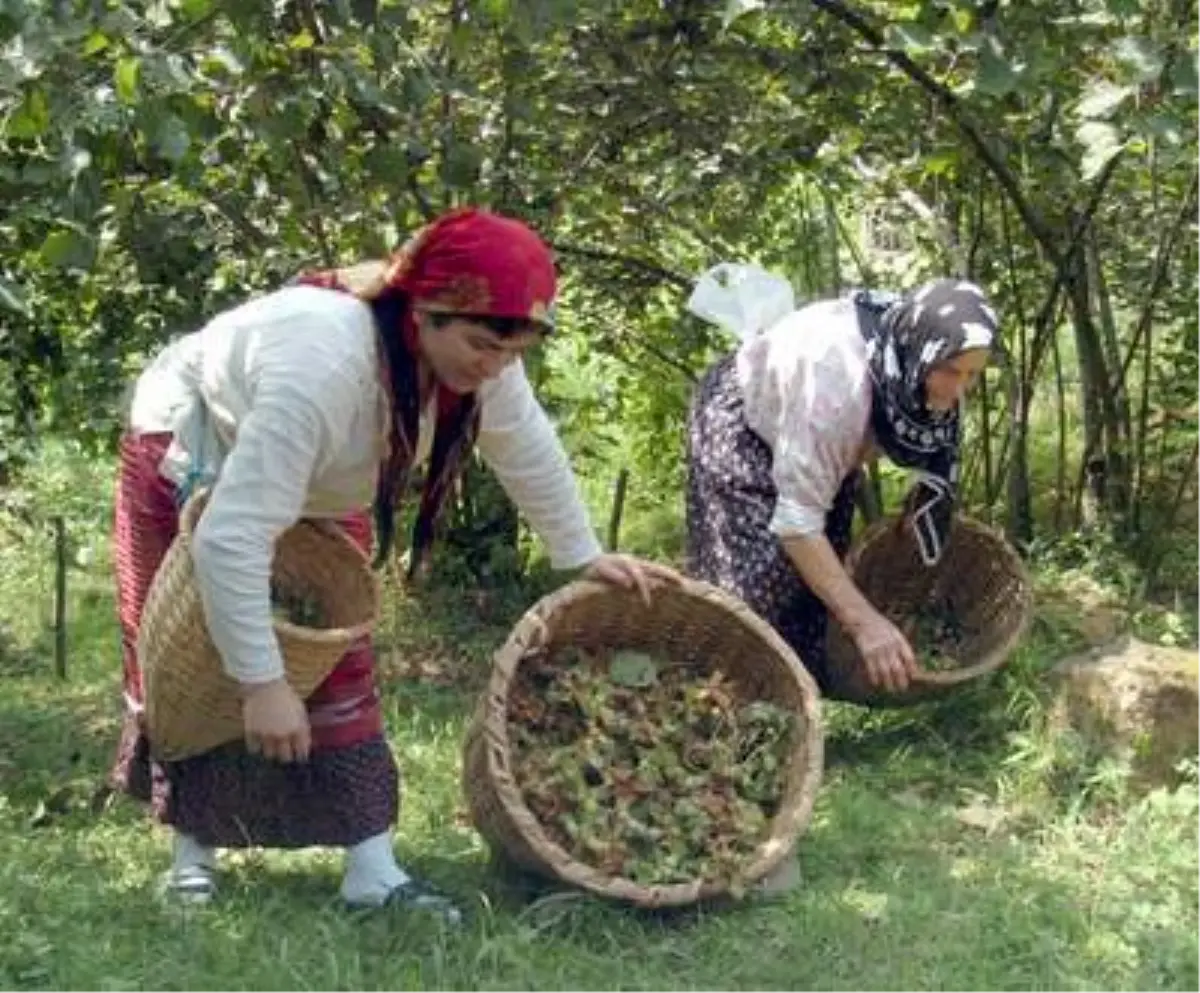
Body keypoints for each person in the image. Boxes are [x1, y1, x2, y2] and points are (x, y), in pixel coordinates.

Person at [109, 206, 678, 921]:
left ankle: (371, 871)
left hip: (320, 467)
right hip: (194, 446)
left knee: (337, 646)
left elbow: (524, 444)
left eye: (512, 352)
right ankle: (194, 857)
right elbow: (230, 538)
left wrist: (584, 554)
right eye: (480, 345)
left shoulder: (483, 360)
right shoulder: (323, 366)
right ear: (421, 316)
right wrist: (261, 683)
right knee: (187, 660)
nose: (494, 366)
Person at [683, 263, 998, 699]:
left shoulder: (918, 349)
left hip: (809, 434)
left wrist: (919, 500)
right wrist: (867, 624)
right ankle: (727, 703)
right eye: (950, 371)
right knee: (756, 590)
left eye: (973, 374)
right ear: (922, 355)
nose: (957, 391)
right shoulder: (836, 387)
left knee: (819, 579)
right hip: (744, 422)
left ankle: (798, 698)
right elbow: (796, 526)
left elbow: (928, 444)